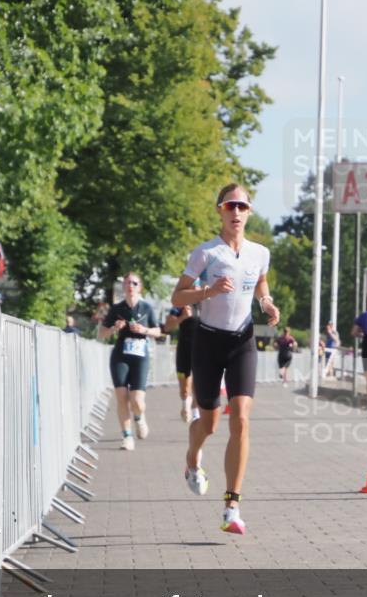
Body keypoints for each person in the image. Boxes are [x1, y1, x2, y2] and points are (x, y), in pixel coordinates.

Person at [170, 183, 280, 535]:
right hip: (208, 342)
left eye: (242, 206)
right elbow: (177, 296)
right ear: (220, 209)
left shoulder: (260, 252)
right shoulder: (206, 253)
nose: (236, 212)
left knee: (242, 420)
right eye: (230, 205)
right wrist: (209, 291)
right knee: (210, 424)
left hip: (242, 342)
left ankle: (232, 507)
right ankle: (192, 459)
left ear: (249, 212)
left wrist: (266, 303)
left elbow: (260, 283)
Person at [97, 273, 160, 450]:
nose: (130, 286)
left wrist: (144, 330)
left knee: (137, 401)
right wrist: (113, 328)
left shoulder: (147, 308)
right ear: (124, 287)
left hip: (140, 356)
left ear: (140, 287)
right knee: (122, 396)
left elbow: (157, 332)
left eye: (134, 283)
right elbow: (101, 334)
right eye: (127, 283)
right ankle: (127, 436)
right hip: (120, 356)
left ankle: (139, 417)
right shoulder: (117, 308)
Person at [163, 303, 199, 423]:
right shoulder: (182, 303)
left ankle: (196, 416)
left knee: (200, 386)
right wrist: (182, 317)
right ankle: (185, 404)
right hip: (185, 350)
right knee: (185, 389)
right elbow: (167, 327)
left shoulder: (209, 301)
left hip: (203, 350)